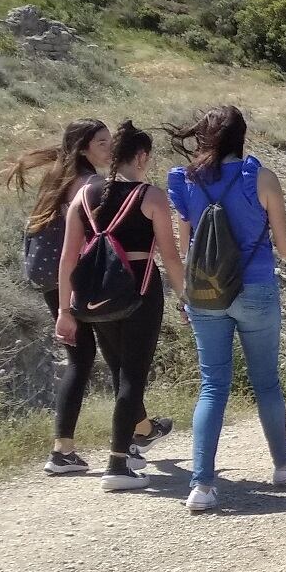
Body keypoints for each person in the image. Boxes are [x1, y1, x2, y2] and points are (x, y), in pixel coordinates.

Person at [4, 119, 174, 474]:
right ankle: (129, 439)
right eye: (101, 142)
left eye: (110, 142)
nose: (109, 148)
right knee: (116, 361)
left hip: (57, 283)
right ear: (83, 147)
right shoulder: (90, 185)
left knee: (83, 360)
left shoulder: (59, 178)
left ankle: (72, 446)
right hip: (90, 282)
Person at [165, 106, 286, 512]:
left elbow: (186, 244)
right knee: (266, 383)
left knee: (213, 386)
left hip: (206, 292)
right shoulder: (260, 177)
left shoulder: (184, 180)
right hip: (256, 288)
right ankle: (281, 464)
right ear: (241, 136)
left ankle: (202, 485)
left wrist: (185, 295)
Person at [53, 122, 188, 492]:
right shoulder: (151, 196)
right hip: (140, 295)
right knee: (132, 376)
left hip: (95, 297)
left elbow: (67, 259)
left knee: (118, 371)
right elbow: (171, 258)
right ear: (142, 156)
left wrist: (65, 310)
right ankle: (118, 462)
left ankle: (122, 454)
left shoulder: (82, 196)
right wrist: (184, 298)